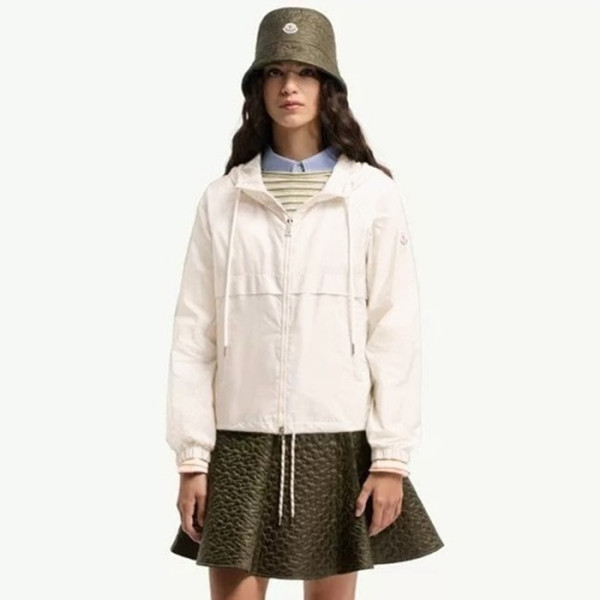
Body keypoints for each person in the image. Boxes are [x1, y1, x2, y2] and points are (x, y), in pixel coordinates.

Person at [166, 6, 444, 599]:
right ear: (257, 87)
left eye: (305, 72)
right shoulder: (223, 199)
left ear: (328, 86)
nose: (289, 87)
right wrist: (192, 458)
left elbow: (394, 328)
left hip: (336, 436)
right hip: (238, 437)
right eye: (275, 72)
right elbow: (194, 335)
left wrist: (390, 458)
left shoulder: (370, 195)